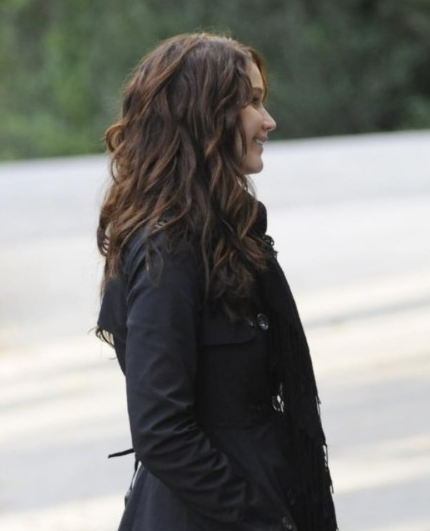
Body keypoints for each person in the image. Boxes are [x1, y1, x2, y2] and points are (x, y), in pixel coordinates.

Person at [95, 33, 337, 531]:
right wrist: (263, 521)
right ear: (202, 116)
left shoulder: (225, 235)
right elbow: (161, 432)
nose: (268, 121)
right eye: (250, 103)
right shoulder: (170, 251)